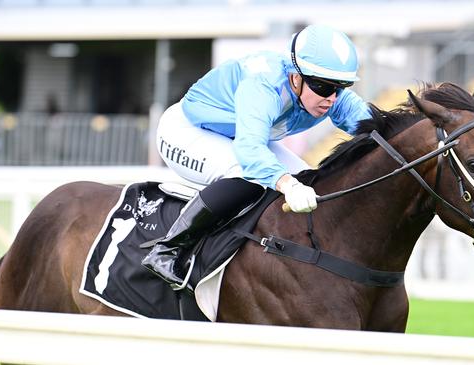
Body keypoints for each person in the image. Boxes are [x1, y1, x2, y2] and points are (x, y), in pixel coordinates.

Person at [142, 25, 373, 285]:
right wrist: (287, 184)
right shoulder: (264, 85)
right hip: (186, 130)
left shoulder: (327, 93)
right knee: (248, 175)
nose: (331, 98)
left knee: (308, 179)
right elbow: (251, 151)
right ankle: (167, 249)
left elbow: (375, 126)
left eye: (340, 88)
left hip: (234, 133)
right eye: (322, 87)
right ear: (296, 76)